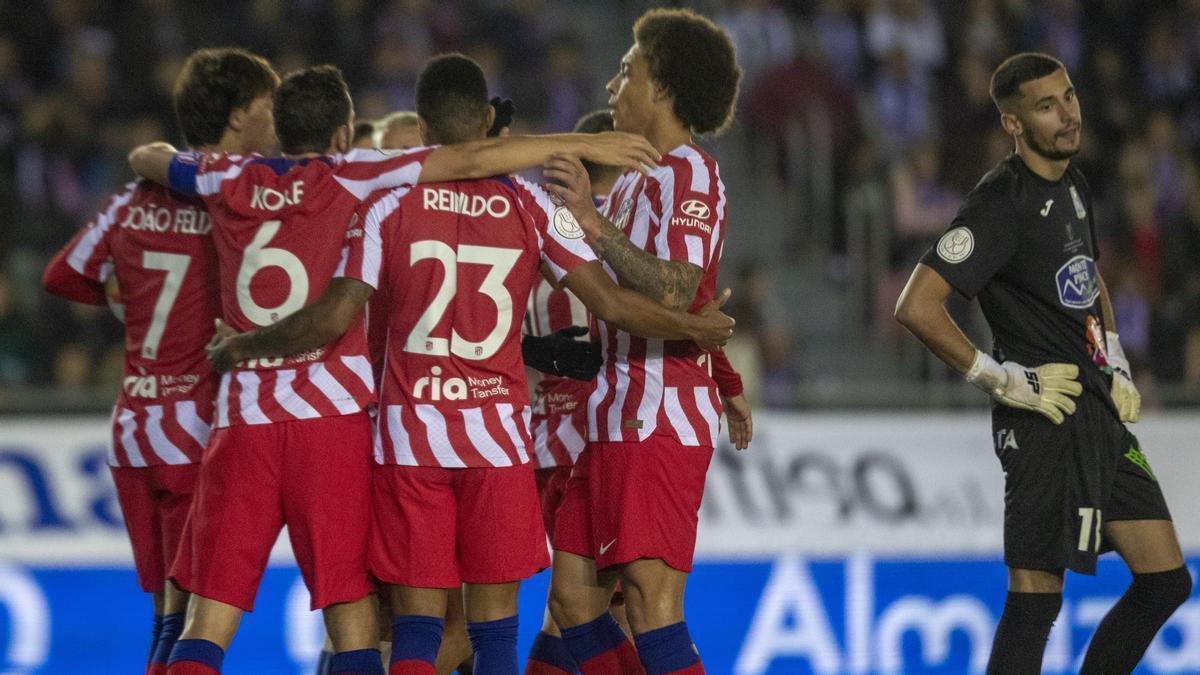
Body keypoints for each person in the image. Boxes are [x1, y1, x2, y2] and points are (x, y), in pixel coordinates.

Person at [202, 53, 735, 675]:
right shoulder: (532, 207)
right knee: (494, 639)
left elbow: (333, 317)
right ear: (486, 119)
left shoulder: (385, 206)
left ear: (424, 133)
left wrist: (241, 345)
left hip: (409, 442)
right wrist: (694, 327)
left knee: (416, 633)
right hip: (497, 445)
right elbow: (614, 303)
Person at [894, 52, 1191, 674]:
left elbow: (1089, 276)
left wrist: (1115, 358)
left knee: (1166, 581)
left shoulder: (1075, 183)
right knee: (1036, 600)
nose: (1068, 113)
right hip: (1043, 419)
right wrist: (999, 379)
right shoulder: (1000, 202)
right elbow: (916, 305)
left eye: (1070, 96)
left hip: (1096, 411)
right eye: (1047, 106)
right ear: (1012, 124)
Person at [40, 47, 279, 675]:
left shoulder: (132, 198)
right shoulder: (239, 201)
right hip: (193, 427)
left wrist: (129, 301)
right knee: (190, 613)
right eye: (266, 106)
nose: (276, 117)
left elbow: (64, 275)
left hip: (134, 426)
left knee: (165, 611)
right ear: (235, 118)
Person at [540, 9, 749, 674]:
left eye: (627, 70)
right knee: (574, 598)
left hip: (657, 411)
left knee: (653, 605)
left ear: (660, 88)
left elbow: (676, 288)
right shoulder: (633, 180)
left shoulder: (691, 173)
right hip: (608, 405)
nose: (612, 84)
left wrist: (592, 226)